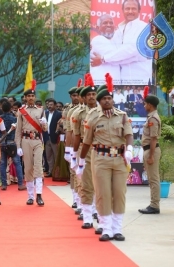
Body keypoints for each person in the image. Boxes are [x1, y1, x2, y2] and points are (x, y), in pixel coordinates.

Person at [79, 75, 133, 242]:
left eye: (109, 98)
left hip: (119, 159)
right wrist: (80, 161)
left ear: (112, 99)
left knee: (119, 193)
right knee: (103, 193)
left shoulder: (122, 115)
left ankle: (117, 228)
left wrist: (129, 149)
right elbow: (87, 141)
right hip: (100, 158)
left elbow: (129, 134)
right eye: (104, 99)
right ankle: (106, 228)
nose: (107, 101)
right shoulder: (93, 117)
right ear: (100, 102)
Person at [90, 0, 152, 85]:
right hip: (122, 81)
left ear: (139, 10)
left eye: (133, 9)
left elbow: (131, 50)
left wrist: (103, 59)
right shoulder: (119, 31)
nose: (130, 11)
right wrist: (132, 57)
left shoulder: (144, 28)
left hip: (141, 79)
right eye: (127, 9)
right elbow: (118, 52)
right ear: (123, 11)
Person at [71, 75, 99, 229]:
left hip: (101, 150)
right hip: (85, 149)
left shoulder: (103, 112)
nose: (91, 97)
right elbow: (76, 135)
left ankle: (96, 210)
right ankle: (87, 215)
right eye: (88, 94)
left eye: (94, 94)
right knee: (86, 182)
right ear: (84, 97)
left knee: (100, 183)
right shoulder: (78, 114)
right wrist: (74, 155)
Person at [15, 83, 48, 206]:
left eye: (32, 96)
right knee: (28, 168)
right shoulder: (21, 111)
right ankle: (30, 196)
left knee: (38, 167)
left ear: (35, 97)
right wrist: (18, 146)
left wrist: (44, 123)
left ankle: (39, 195)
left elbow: (45, 129)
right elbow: (18, 130)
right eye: (28, 96)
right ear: (25, 98)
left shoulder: (41, 110)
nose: (30, 98)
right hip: (25, 140)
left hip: (38, 140)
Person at [139, 88, 161, 214]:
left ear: (150, 105)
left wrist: (151, 156)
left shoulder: (153, 119)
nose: (144, 105)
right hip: (148, 150)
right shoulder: (151, 117)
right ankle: (153, 204)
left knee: (153, 179)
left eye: (146, 103)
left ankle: (154, 205)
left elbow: (153, 139)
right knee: (152, 178)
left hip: (151, 150)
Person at [64, 82, 84, 210]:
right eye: (74, 95)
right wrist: (69, 149)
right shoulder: (70, 110)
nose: (77, 98)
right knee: (74, 173)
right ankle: (76, 198)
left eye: (79, 95)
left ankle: (86, 201)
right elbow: (69, 131)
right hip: (74, 144)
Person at [0, 101, 26, 191]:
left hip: (2, 143)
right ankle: (20, 184)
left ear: (1, 109)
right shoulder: (15, 119)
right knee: (17, 163)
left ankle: (4, 184)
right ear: (11, 108)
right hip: (12, 143)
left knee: (3, 164)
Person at [90, 14, 121, 85]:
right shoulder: (97, 40)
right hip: (101, 83)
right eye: (105, 23)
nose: (109, 25)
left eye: (111, 23)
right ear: (98, 27)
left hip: (114, 84)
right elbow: (118, 57)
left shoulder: (114, 42)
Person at [43, 98, 62, 177]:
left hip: (55, 137)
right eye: (48, 105)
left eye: (51, 105)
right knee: (48, 156)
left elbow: (60, 126)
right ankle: (50, 171)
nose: (49, 106)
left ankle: (57, 172)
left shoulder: (59, 114)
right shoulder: (45, 113)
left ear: (55, 105)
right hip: (46, 137)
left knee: (56, 155)